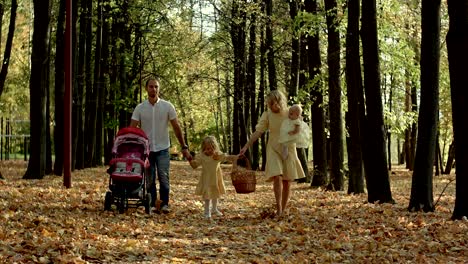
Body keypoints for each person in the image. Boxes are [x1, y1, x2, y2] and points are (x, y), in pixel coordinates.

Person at [130, 77, 192, 213]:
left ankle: (164, 204)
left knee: (164, 177)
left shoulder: (167, 106)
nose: (154, 89)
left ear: (159, 88)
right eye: (151, 86)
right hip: (147, 150)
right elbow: (132, 129)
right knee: (150, 179)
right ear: (146, 88)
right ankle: (152, 204)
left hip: (163, 148)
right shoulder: (140, 108)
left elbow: (176, 127)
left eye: (156, 87)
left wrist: (184, 146)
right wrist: (133, 148)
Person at [239, 90, 305, 217]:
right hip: (273, 147)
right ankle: (278, 208)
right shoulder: (267, 115)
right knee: (277, 175)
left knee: (287, 181)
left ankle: (283, 210)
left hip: (288, 147)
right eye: (268, 104)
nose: (270, 106)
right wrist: (246, 146)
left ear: (279, 102)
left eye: (272, 103)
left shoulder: (289, 112)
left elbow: (299, 126)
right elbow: (258, 132)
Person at [189, 136, 238, 219]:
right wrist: (189, 158)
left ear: (215, 147)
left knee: (216, 192)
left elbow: (226, 157)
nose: (209, 151)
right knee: (207, 195)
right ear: (203, 148)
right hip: (207, 178)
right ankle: (206, 212)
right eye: (207, 149)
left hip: (216, 177)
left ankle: (214, 209)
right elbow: (195, 165)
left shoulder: (217, 155)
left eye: (211, 148)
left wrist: (235, 157)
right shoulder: (201, 156)